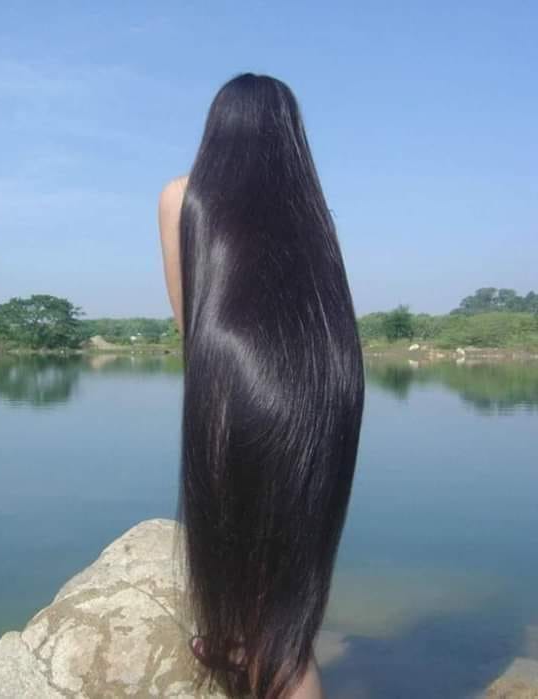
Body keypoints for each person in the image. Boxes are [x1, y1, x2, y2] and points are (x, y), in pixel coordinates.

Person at [158, 73, 365, 699]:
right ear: (289, 137)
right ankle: (242, 641)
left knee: (263, 614)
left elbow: (190, 323)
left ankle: (243, 643)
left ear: (217, 131)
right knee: (286, 600)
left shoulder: (183, 196)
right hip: (324, 389)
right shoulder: (315, 214)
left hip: (235, 384)